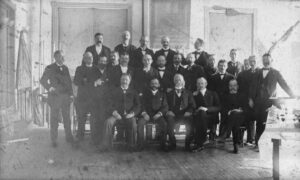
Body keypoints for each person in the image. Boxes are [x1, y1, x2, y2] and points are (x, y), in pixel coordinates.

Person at [249, 53, 295, 152]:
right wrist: (251, 99)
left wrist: (292, 94)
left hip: (271, 102)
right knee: (259, 123)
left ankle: (271, 146)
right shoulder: (257, 72)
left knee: (271, 124)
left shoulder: (276, 73)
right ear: (262, 61)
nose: (266, 61)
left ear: (271, 60)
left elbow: (284, 84)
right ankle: (258, 144)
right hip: (258, 102)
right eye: (264, 59)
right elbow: (252, 87)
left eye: (268, 59)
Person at [40, 50, 74, 147]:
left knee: (67, 118)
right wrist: (49, 87)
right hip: (55, 97)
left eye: (63, 56)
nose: (63, 58)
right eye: (61, 56)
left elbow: (69, 83)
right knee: (54, 119)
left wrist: (71, 94)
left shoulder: (66, 68)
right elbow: (42, 80)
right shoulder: (50, 68)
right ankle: (54, 140)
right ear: (55, 58)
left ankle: (69, 137)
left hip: (65, 97)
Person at [101, 74, 141, 151]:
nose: (124, 81)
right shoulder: (114, 91)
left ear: (129, 81)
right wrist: (114, 112)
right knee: (108, 122)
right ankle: (106, 146)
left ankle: (131, 145)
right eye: (123, 79)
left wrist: (132, 114)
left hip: (128, 115)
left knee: (133, 123)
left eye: (126, 80)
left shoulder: (134, 92)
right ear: (120, 80)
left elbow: (138, 105)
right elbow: (109, 104)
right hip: (116, 115)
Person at [73, 52, 100, 144]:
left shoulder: (96, 69)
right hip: (82, 98)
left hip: (93, 98)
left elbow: (99, 82)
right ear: (84, 59)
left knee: (94, 118)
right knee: (81, 118)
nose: (89, 59)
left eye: (91, 57)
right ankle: (80, 137)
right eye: (87, 57)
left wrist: (86, 81)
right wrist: (92, 83)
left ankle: (94, 138)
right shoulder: (79, 69)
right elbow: (77, 81)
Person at [165, 74, 196, 151]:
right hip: (173, 115)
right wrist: (168, 111)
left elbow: (193, 105)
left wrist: (189, 111)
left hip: (185, 115)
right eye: (176, 79)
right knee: (169, 119)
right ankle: (172, 143)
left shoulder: (188, 92)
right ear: (174, 81)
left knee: (190, 120)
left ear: (183, 81)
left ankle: (187, 144)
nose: (178, 81)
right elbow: (165, 104)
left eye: (180, 79)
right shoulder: (169, 93)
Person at [217, 79, 248, 154]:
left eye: (234, 85)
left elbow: (246, 108)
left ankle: (226, 133)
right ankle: (235, 144)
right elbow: (222, 109)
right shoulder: (224, 96)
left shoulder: (242, 95)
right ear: (228, 87)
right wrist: (229, 112)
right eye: (231, 86)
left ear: (237, 86)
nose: (232, 87)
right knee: (234, 119)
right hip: (229, 118)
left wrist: (238, 111)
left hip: (241, 118)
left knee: (234, 115)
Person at [138, 78, 169, 151]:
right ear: (149, 84)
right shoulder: (145, 94)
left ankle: (163, 144)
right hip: (146, 115)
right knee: (140, 123)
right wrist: (144, 113)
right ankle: (141, 144)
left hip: (157, 115)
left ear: (159, 85)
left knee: (164, 124)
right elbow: (141, 105)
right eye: (152, 83)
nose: (154, 85)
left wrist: (159, 113)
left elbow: (165, 106)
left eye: (156, 83)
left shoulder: (162, 94)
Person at [192, 77, 221, 152]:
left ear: (206, 84)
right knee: (201, 114)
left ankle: (199, 143)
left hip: (211, 117)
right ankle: (201, 142)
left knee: (202, 114)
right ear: (196, 85)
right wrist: (198, 109)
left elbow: (218, 107)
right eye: (198, 83)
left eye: (202, 83)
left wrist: (207, 109)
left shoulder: (213, 93)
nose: (200, 85)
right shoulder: (194, 94)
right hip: (198, 116)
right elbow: (191, 107)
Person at [237, 56, 259, 145]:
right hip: (246, 100)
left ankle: (255, 139)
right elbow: (240, 88)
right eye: (251, 61)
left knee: (257, 120)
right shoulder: (244, 73)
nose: (252, 63)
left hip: (257, 100)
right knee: (248, 119)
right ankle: (249, 139)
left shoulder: (260, 72)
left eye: (254, 61)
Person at [210, 59, 234, 136]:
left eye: (224, 66)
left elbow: (232, 90)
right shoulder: (212, 77)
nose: (222, 67)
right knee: (214, 117)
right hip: (215, 101)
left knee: (224, 117)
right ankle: (213, 133)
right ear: (218, 66)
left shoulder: (231, 77)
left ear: (226, 67)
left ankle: (222, 135)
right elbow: (211, 90)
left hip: (226, 101)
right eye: (220, 66)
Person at [93, 55, 110, 145]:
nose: (103, 63)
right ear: (98, 61)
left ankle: (104, 140)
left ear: (107, 62)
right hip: (95, 99)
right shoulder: (93, 70)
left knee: (104, 118)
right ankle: (96, 140)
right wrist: (94, 83)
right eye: (101, 61)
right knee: (96, 119)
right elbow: (87, 83)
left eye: (105, 61)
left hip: (106, 100)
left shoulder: (109, 71)